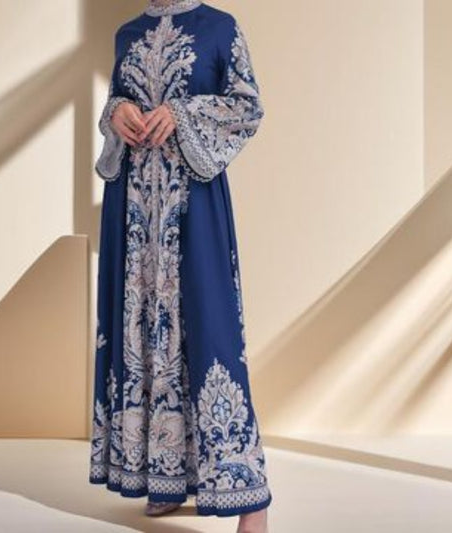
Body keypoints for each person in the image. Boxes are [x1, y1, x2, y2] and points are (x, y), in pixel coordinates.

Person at [89, 1, 272, 531]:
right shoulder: (127, 34)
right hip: (133, 212)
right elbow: (116, 105)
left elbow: (247, 107)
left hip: (193, 204)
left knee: (211, 331)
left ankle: (250, 498)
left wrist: (184, 113)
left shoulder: (220, 28)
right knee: (142, 333)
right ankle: (164, 477)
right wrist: (115, 113)